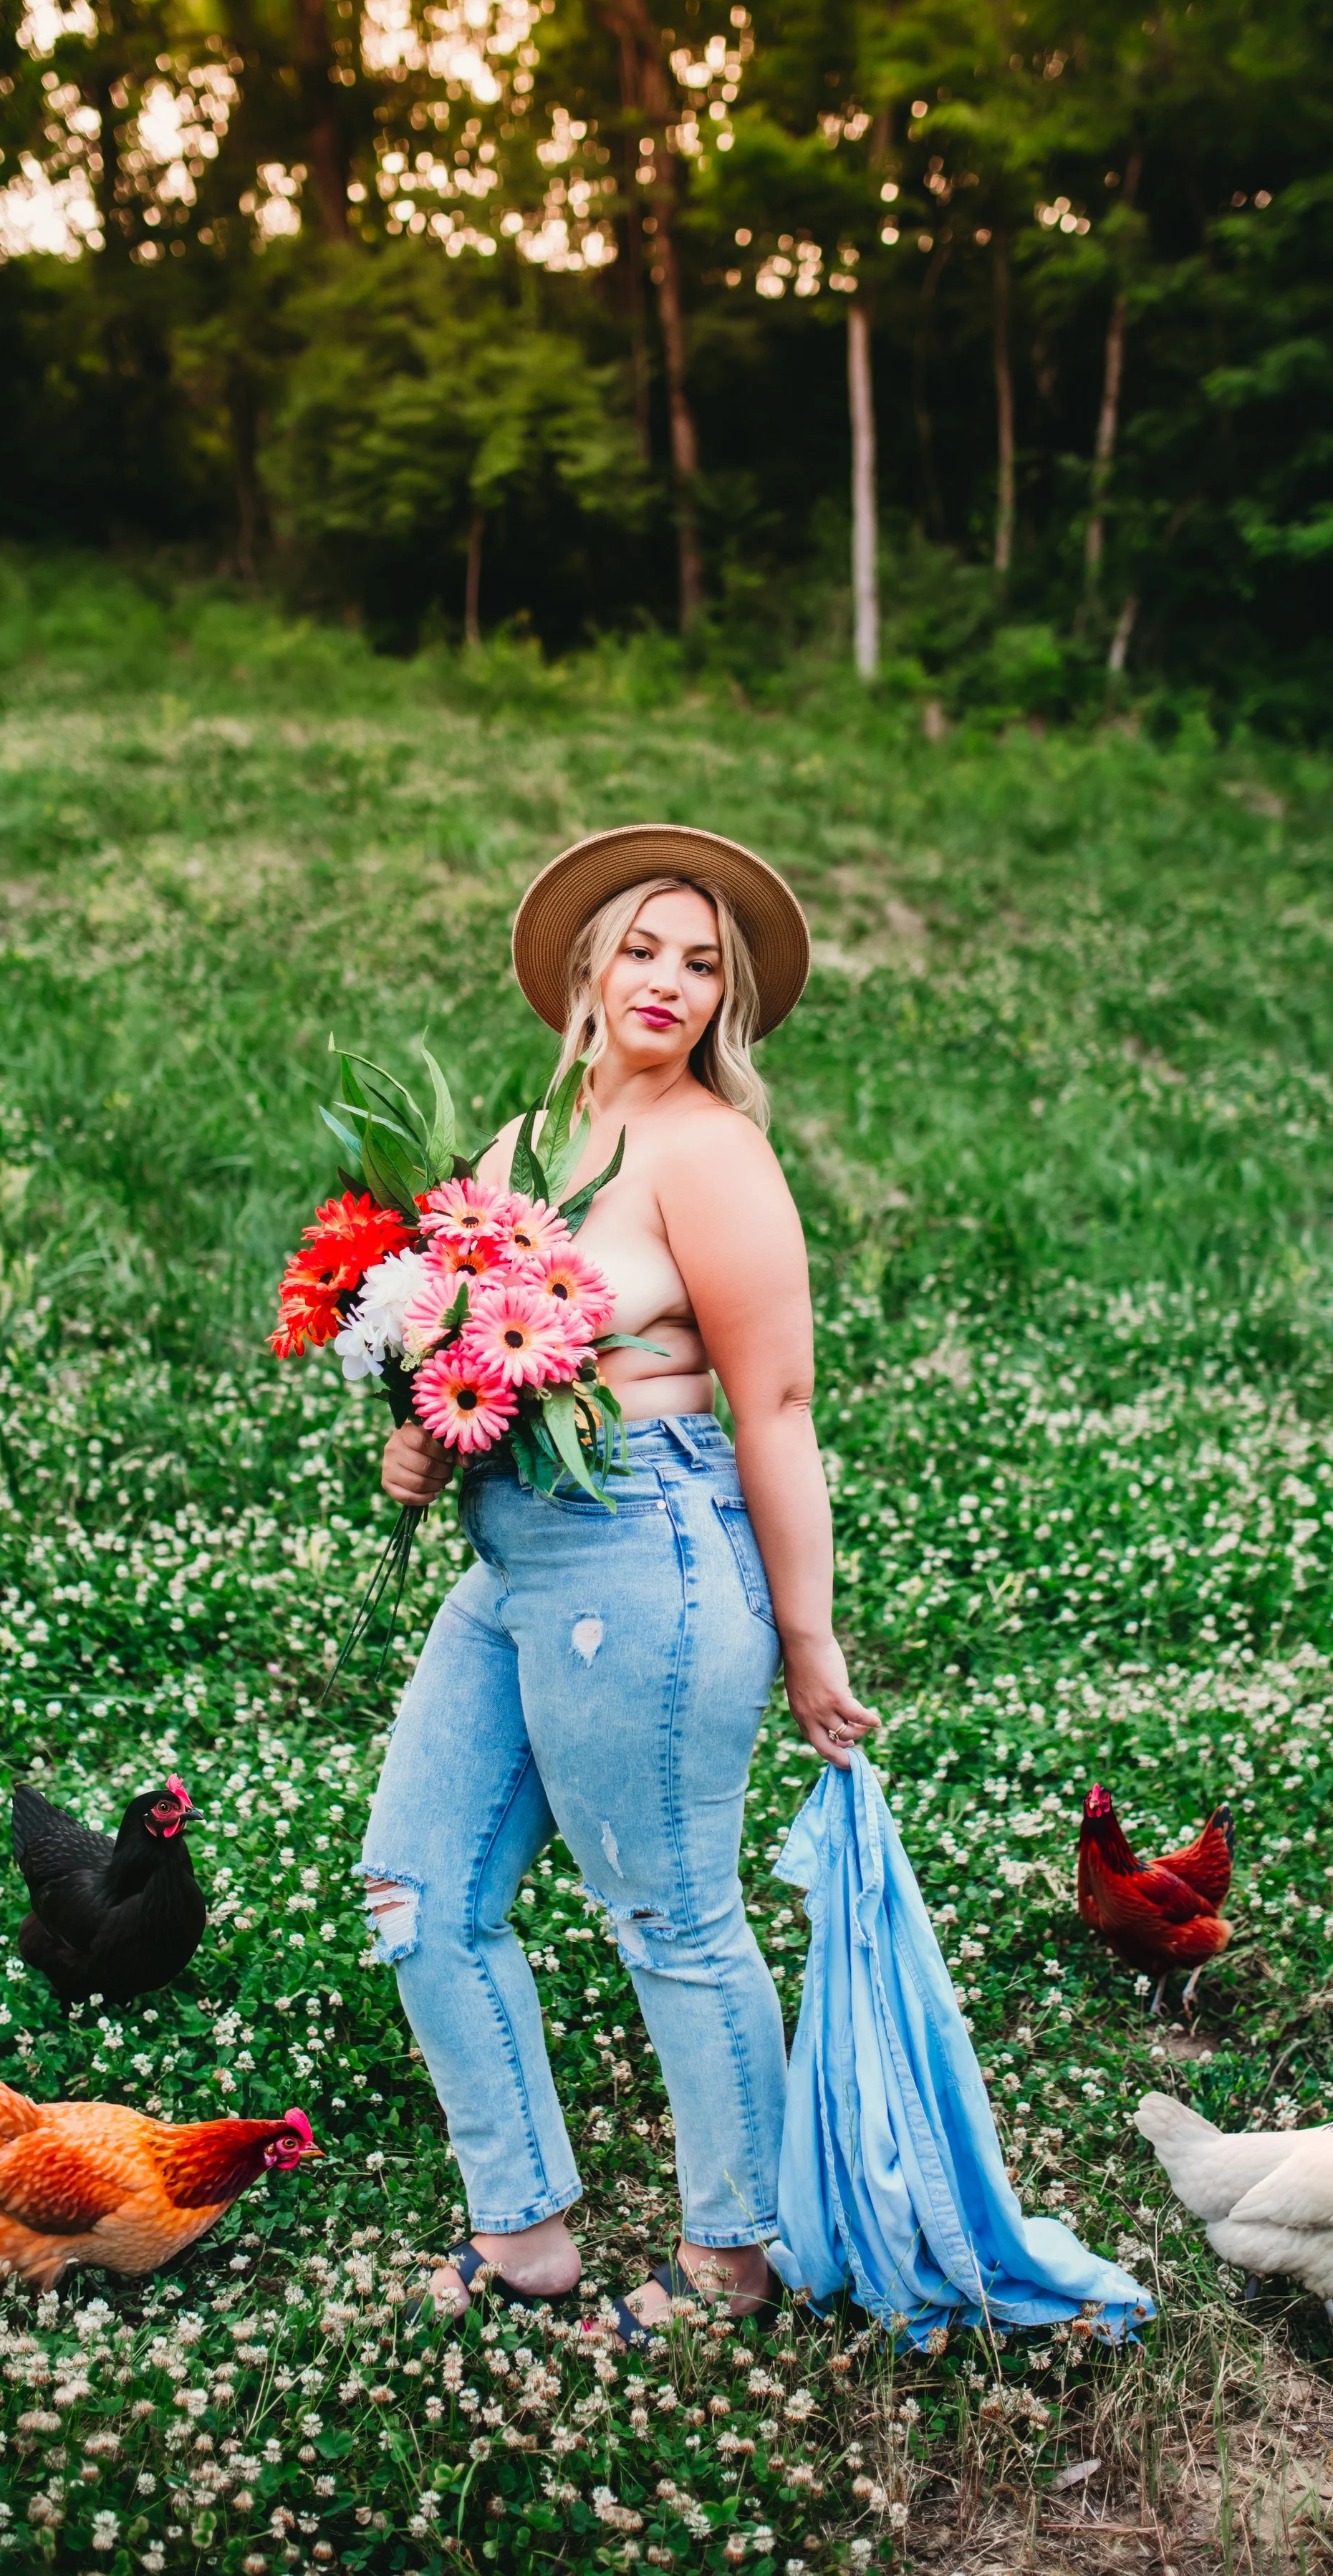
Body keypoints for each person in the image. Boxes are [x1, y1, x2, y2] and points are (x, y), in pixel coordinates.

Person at [358, 824, 878, 2340]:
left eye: (702, 963)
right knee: (418, 1888)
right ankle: (522, 2231)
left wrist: (804, 1634)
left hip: (645, 1552)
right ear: (588, 967)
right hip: (516, 1550)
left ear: (728, 1003)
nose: (667, 980)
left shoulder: (711, 1152)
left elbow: (770, 1408)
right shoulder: (522, 1145)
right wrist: (417, 1439)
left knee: (670, 1917)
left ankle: (734, 2256)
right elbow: (470, 1362)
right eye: (642, 948)